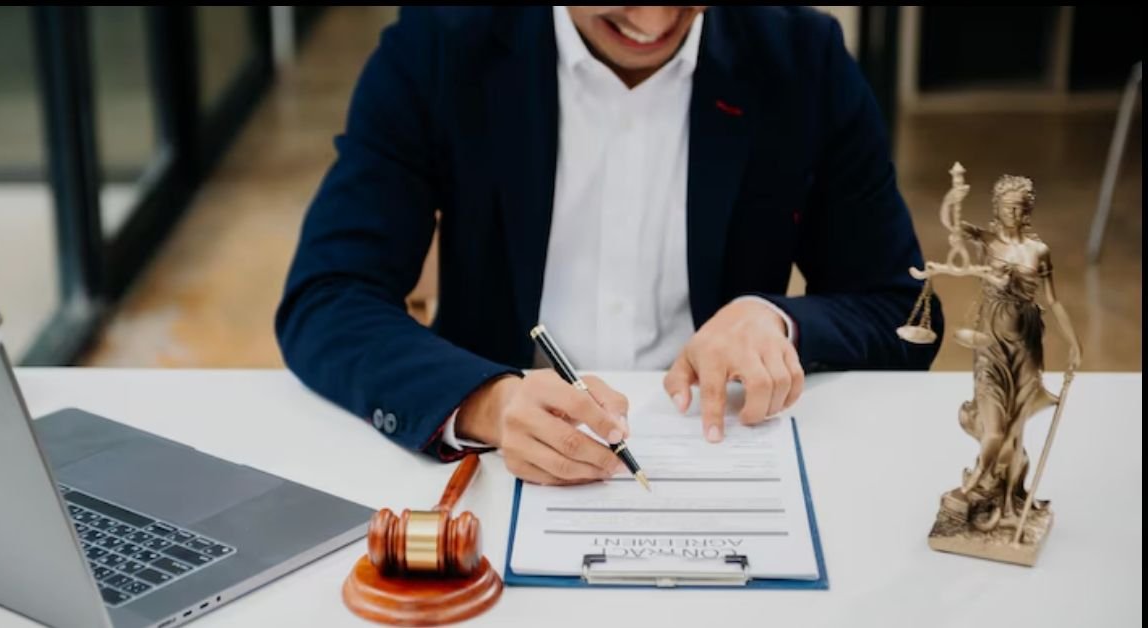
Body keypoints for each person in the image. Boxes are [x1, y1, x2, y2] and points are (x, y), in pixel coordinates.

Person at [276, 6, 942, 485]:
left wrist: (779, 319)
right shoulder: (440, 45)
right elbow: (328, 297)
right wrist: (489, 402)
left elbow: (903, 309)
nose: (653, 23)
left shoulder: (804, 59)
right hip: (499, 468)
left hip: (726, 454)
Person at [934, 175, 1081, 528]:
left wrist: (1073, 343)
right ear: (996, 208)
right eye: (1006, 206)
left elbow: (1053, 300)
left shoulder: (1038, 251)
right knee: (993, 427)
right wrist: (952, 197)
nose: (1012, 212)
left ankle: (1007, 498)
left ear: (1028, 209)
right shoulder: (988, 241)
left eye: (1019, 206)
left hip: (1027, 345)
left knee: (1015, 431)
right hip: (990, 345)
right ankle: (970, 489)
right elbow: (953, 226)